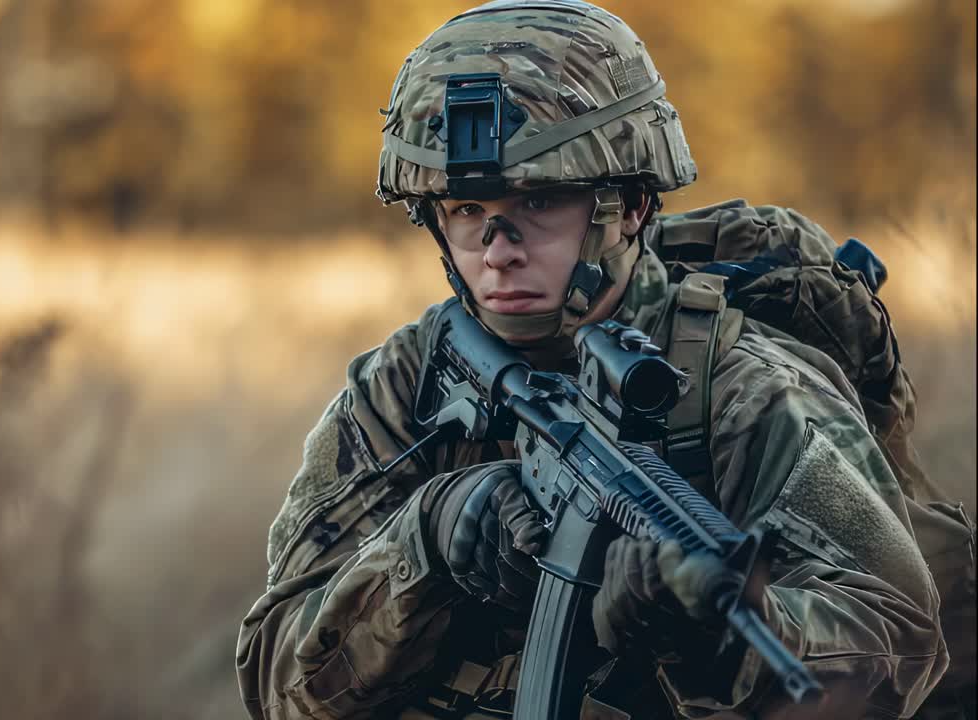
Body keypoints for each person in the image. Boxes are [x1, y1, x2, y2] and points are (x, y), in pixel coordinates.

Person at [235, 2, 948, 718]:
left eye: (539, 201)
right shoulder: (399, 390)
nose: (498, 247)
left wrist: (715, 645)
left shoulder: (743, 388)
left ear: (630, 207)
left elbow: (900, 640)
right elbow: (275, 684)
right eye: (464, 210)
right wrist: (426, 540)